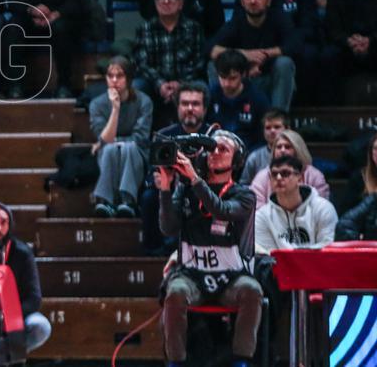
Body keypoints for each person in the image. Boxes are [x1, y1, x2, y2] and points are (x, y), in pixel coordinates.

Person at [157, 130, 261, 367]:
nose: (215, 153)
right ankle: (175, 362)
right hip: (193, 276)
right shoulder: (185, 190)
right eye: (212, 148)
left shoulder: (245, 195)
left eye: (223, 149)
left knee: (252, 289)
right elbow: (169, 228)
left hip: (231, 277)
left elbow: (221, 210)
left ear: (236, 161)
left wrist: (194, 178)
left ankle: (241, 361)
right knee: (175, 291)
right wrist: (165, 188)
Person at [210, 0, 298, 111]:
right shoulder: (236, 22)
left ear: (268, 0)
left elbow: (295, 46)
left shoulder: (279, 19)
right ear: (242, 1)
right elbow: (211, 50)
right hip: (242, 79)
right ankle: (220, 115)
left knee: (284, 63)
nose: (253, 1)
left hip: (270, 79)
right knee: (213, 65)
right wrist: (246, 55)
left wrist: (263, 56)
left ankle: (277, 119)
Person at [142, 83, 209, 255]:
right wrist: (157, 179)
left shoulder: (214, 135)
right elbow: (151, 172)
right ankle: (153, 250)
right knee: (149, 197)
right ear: (177, 107)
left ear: (204, 108)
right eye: (185, 104)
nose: (190, 108)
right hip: (171, 186)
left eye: (195, 104)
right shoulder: (164, 135)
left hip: (204, 187)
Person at [0, 202, 51, 353]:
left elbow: (34, 298)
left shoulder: (22, 253)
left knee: (40, 327)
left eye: (3, 222)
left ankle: (8, 357)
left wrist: (8, 316)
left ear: (9, 226)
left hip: (15, 315)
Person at [89, 56, 153, 218]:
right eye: (110, 76)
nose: (114, 80)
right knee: (110, 149)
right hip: (108, 154)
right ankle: (105, 203)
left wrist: (115, 142)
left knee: (128, 148)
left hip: (137, 153)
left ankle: (127, 201)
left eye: (120, 76)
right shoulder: (97, 104)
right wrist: (115, 109)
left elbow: (140, 138)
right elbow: (104, 138)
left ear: (129, 79)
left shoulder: (144, 101)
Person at [133, 0, 205, 105]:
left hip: (188, 81)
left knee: (203, 87)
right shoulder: (144, 29)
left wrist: (181, 83)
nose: (166, 1)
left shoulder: (194, 28)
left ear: (181, 4)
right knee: (137, 86)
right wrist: (160, 84)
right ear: (155, 3)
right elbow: (141, 63)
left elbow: (199, 62)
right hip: (154, 83)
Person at [254, 155, 336, 252]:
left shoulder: (323, 209)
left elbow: (328, 248)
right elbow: (268, 257)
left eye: (285, 173)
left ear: (300, 178)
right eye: (274, 174)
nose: (279, 178)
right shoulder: (262, 217)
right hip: (279, 267)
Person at [249, 129, 329, 209]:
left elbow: (321, 207)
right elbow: (257, 211)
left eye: (287, 147)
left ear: (298, 150)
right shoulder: (261, 177)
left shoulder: (315, 175)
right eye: (279, 147)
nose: (282, 150)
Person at [207, 50, 270, 151]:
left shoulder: (258, 99)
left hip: (247, 155)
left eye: (232, 78)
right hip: (215, 151)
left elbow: (263, 138)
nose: (227, 83)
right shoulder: (209, 95)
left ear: (243, 74)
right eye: (223, 77)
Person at [239, 109, 290, 184]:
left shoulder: (297, 154)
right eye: (268, 128)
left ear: (287, 129)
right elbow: (244, 186)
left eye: (277, 127)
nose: (272, 131)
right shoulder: (254, 157)